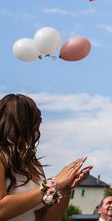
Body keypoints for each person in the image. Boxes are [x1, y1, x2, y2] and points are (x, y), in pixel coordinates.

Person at [0, 93, 91, 221]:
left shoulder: (33, 164)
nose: (37, 129)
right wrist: (53, 185)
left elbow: (46, 219)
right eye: (34, 121)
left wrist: (64, 189)